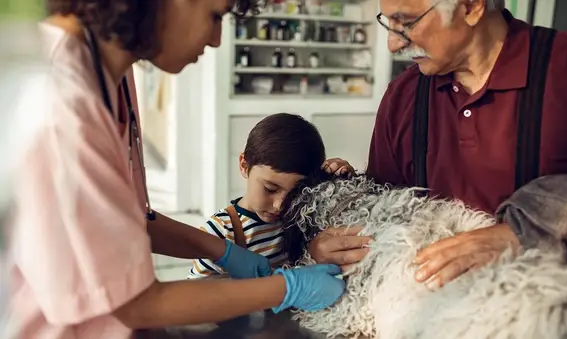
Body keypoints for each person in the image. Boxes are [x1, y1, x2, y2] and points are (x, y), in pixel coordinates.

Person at [7, 1, 348, 338]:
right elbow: (137, 303)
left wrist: (221, 250)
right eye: (214, 17)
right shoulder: (65, 107)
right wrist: (286, 288)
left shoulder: (115, 75)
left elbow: (125, 220)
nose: (216, 39)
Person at [307, 0, 567, 289]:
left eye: (407, 22)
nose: (393, 45)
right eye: (388, 23)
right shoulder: (402, 97)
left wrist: (520, 237)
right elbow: (381, 214)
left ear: (471, 6)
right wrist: (332, 245)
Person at [188, 113, 354, 278]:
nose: (280, 205)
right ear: (244, 166)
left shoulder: (303, 216)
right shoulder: (220, 232)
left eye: (295, 194)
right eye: (270, 188)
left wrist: (339, 179)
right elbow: (197, 297)